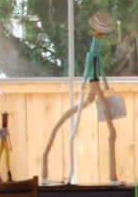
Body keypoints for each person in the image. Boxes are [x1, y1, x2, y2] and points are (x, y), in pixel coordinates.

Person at [42, 12, 123, 184]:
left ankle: (113, 176)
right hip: (93, 84)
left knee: (109, 127)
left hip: (95, 83)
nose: (100, 36)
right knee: (108, 127)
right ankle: (112, 176)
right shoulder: (93, 51)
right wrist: (86, 81)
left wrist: (103, 82)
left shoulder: (95, 50)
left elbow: (97, 65)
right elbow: (91, 65)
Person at [0, 111, 14, 181]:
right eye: (5, 119)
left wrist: (10, 146)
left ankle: (9, 176)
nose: (6, 121)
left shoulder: (5, 130)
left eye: (6, 119)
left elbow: (8, 137)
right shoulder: (3, 130)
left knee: (7, 158)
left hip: (5, 143)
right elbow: (0, 135)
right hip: (3, 144)